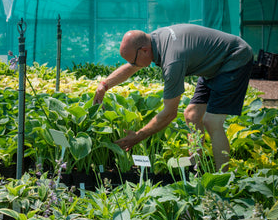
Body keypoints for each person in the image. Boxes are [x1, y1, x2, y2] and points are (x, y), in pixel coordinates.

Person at [93, 23, 253, 172]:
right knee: (192, 115)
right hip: (213, 64)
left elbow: (170, 113)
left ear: (144, 51)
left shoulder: (172, 61)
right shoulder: (153, 40)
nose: (133, 65)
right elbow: (131, 67)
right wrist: (104, 85)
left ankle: (221, 180)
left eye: (133, 61)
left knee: (212, 122)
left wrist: (138, 136)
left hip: (234, 58)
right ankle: (197, 165)